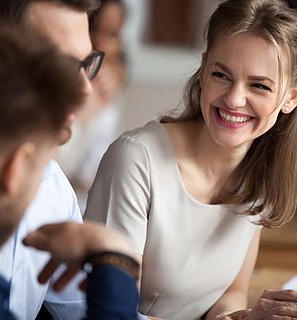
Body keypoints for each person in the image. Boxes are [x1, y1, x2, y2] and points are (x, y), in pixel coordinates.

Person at [84, 0, 297, 319]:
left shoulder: (262, 172)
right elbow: (114, 313)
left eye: (259, 85)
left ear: (291, 97)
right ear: (202, 70)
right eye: (221, 75)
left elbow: (231, 293)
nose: (235, 98)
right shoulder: (137, 159)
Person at [0, 17, 140, 320]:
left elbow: (78, 306)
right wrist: (116, 261)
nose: (84, 89)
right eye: (59, 64)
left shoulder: (52, 184)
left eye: (86, 63)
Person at [57, 0, 127, 212]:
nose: (108, 45)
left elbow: (91, 177)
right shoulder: (60, 84)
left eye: (114, 34)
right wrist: (84, 114)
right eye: (97, 30)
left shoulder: (108, 95)